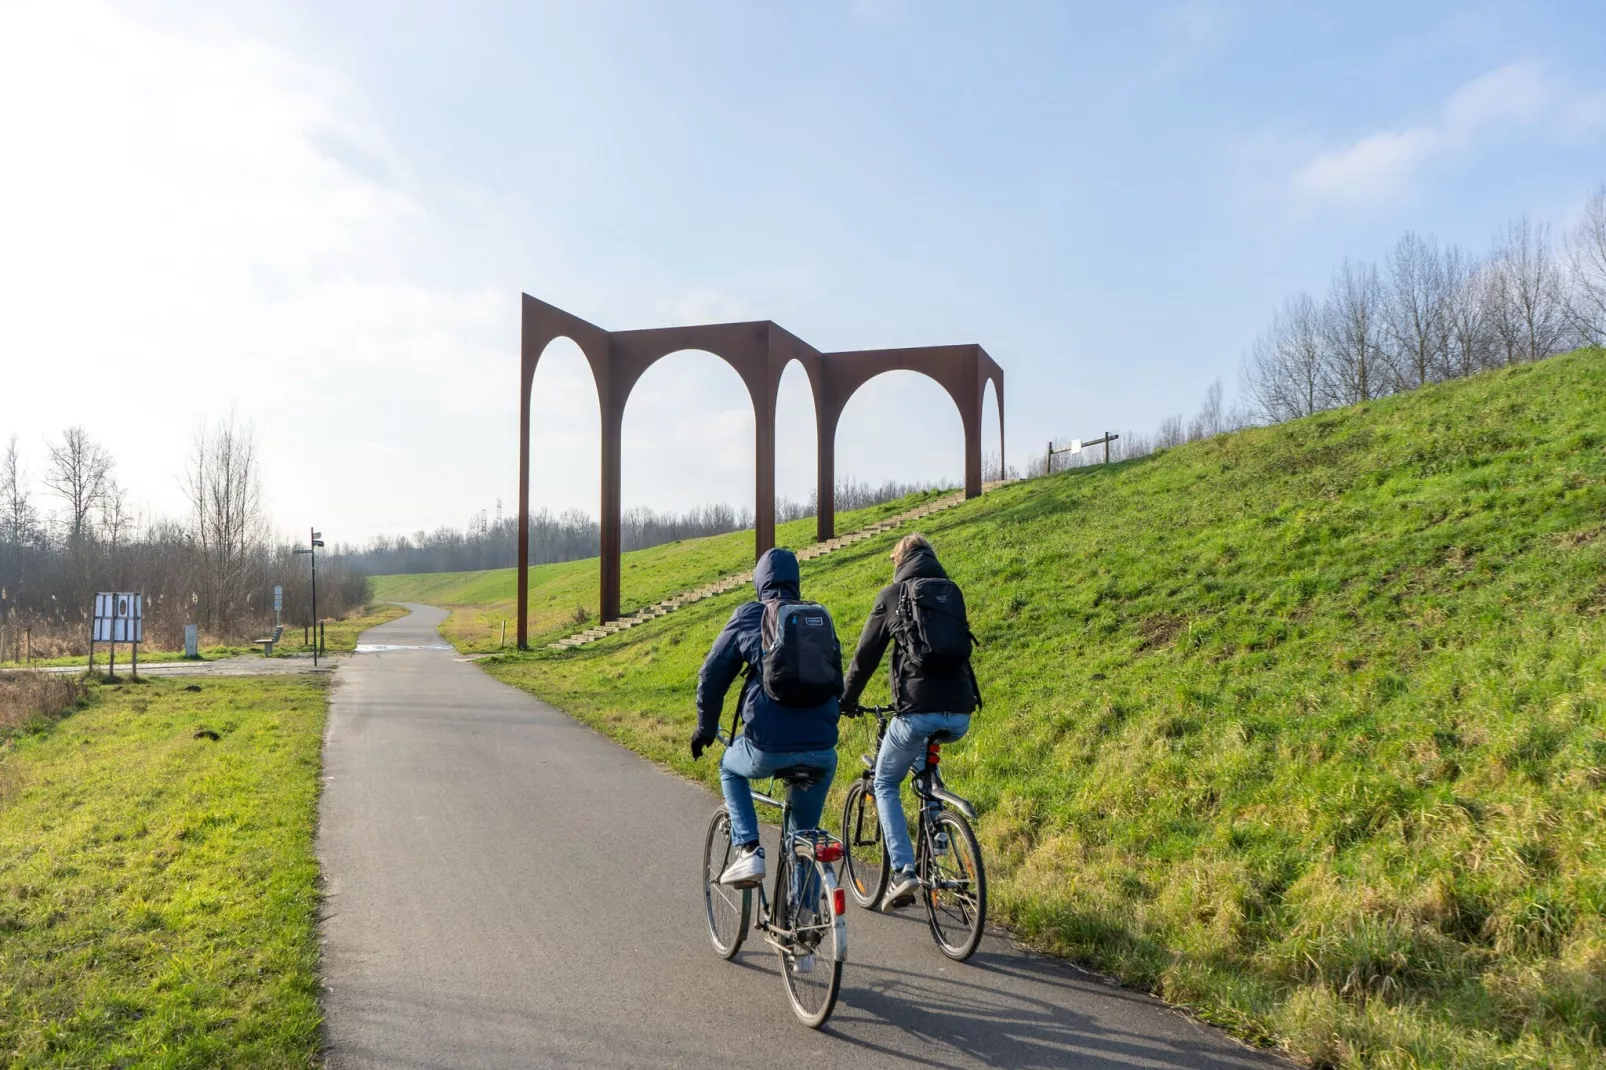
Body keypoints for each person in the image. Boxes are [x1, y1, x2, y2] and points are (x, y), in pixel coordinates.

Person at [840, 532, 979, 909]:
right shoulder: (951, 593)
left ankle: (903, 872)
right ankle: (938, 837)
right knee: (925, 771)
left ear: (899, 561)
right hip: (961, 711)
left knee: (885, 782)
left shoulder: (893, 596)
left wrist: (845, 701)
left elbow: (864, 659)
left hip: (917, 710)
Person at [690, 547, 841, 891]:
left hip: (767, 746)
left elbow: (711, 676)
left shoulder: (750, 615)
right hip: (822, 749)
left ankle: (748, 849)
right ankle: (806, 929)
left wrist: (706, 729)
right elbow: (838, 681)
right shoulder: (819, 616)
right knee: (805, 837)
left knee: (729, 767)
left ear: (760, 582)